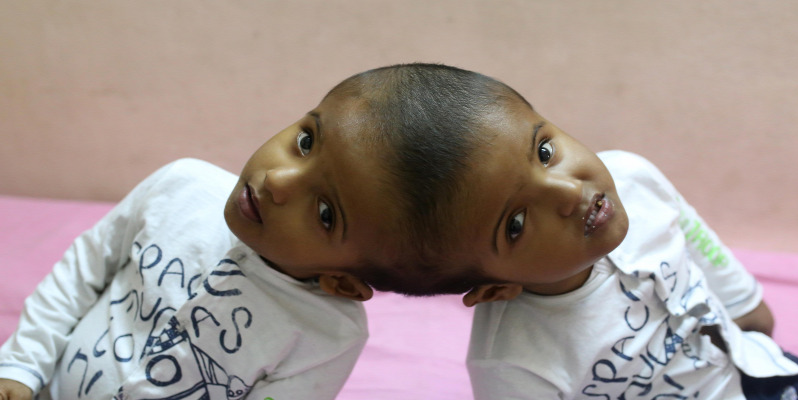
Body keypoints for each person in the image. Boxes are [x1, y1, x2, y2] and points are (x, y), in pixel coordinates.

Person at [0, 63, 518, 400]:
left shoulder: (326, 336)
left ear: (343, 283)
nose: (277, 181)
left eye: (325, 213)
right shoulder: (180, 187)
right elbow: (81, 272)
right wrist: (21, 368)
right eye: (307, 141)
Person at [406, 73, 798, 398]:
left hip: (761, 368)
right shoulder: (513, 365)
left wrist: (746, 307)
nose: (570, 191)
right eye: (516, 223)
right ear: (494, 287)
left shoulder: (633, 179)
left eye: (544, 153)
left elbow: (703, 249)